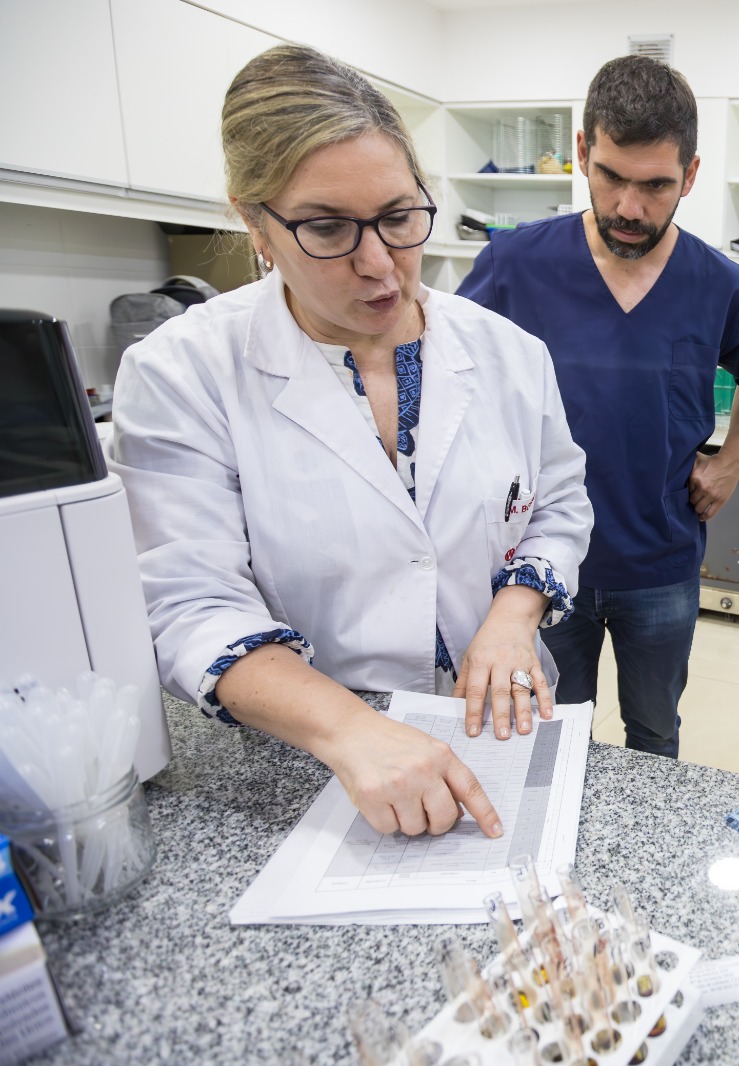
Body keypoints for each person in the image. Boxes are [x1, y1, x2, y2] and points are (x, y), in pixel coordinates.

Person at [111, 44, 592, 839]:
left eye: (399, 218)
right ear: (254, 221)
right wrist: (349, 730)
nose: (379, 265)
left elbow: (559, 504)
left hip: (496, 720)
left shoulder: (508, 352)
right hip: (312, 750)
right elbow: (190, 602)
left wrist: (513, 615)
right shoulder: (182, 372)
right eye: (328, 228)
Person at [459, 56, 739, 759]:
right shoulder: (515, 266)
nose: (630, 208)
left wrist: (731, 462)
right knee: (550, 740)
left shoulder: (722, 284)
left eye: (656, 185)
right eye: (611, 176)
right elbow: (446, 376)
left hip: (660, 566)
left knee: (654, 735)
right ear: (582, 153)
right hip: (541, 567)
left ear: (690, 176)